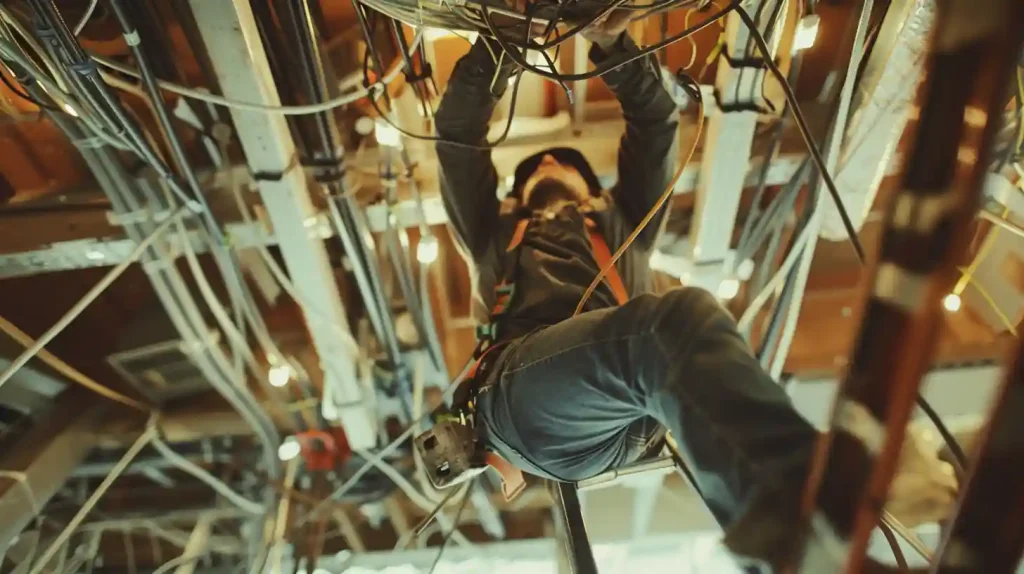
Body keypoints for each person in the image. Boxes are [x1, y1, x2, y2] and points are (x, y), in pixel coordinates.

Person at [433, 14, 957, 569]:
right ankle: (802, 507)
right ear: (514, 198)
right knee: (674, 324)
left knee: (667, 333)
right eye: (538, 168)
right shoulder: (493, 237)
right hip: (527, 407)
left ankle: (799, 520)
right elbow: (455, 137)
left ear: (595, 190)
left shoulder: (623, 226)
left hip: (633, 417)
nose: (553, 164)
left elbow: (657, 122)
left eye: (568, 161)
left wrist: (614, 47)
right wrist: (502, 47)